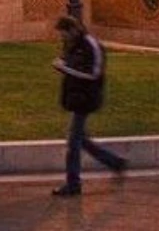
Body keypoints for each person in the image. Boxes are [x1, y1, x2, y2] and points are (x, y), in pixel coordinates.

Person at [51, 15, 128, 196]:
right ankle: (115, 162)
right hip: (76, 98)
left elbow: (94, 74)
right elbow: (69, 62)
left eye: (64, 34)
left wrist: (65, 69)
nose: (62, 38)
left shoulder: (91, 44)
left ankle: (73, 184)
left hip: (87, 99)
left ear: (72, 30)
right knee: (80, 139)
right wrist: (62, 63)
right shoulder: (73, 44)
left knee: (73, 143)